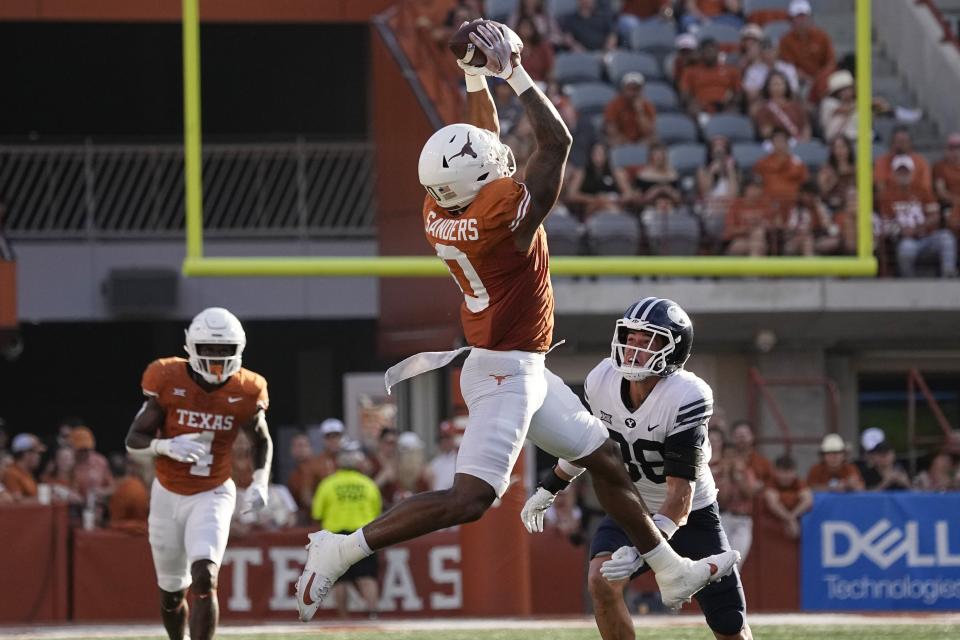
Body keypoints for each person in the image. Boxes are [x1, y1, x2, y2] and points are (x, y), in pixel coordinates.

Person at [295, 22, 738, 621]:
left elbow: (482, 141)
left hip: (513, 361)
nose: (500, 160)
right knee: (472, 498)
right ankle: (341, 550)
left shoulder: (440, 203)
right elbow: (555, 144)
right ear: (475, 183)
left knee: (604, 458)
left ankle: (668, 567)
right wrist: (513, 73)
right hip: (506, 371)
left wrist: (474, 75)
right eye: (490, 165)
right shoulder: (501, 222)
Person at [522, 299, 752, 640]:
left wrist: (643, 549)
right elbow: (592, 446)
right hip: (630, 505)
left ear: (673, 350)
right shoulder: (602, 379)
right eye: (631, 337)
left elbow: (681, 494)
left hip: (691, 515)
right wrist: (549, 486)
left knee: (728, 623)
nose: (634, 349)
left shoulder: (687, 395)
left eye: (648, 341)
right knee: (601, 581)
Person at [124, 307, 273, 640]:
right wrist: (164, 447)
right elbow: (134, 440)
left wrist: (260, 481)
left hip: (213, 492)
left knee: (205, 576)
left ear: (239, 350)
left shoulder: (248, 389)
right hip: (166, 494)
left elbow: (261, 440)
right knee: (171, 594)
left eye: (224, 350)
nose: (217, 357)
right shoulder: (166, 378)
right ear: (192, 347)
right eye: (209, 348)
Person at [311, 441, 382, 619]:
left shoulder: (328, 484)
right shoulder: (369, 485)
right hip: (363, 535)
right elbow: (377, 513)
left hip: (335, 537)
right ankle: (373, 615)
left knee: (340, 581)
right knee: (367, 577)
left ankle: (344, 619)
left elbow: (317, 513)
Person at [876, 155, 957, 277]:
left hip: (927, 236)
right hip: (905, 240)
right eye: (900, 171)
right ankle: (909, 281)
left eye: (906, 171)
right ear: (893, 174)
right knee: (905, 250)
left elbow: (935, 215)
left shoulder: (923, 190)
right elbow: (885, 222)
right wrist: (900, 230)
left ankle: (948, 273)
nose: (903, 174)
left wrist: (919, 228)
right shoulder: (887, 196)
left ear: (912, 172)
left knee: (946, 237)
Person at [777, 0, 835, 98]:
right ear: (791, 20)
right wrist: (809, 80)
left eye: (804, 16)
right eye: (798, 17)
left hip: (822, 81)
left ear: (810, 18)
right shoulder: (785, 41)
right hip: (799, 82)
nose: (802, 20)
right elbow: (789, 67)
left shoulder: (822, 36)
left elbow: (830, 62)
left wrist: (819, 79)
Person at [680, 38, 742, 116]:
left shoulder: (731, 70)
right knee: (692, 110)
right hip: (700, 108)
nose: (709, 53)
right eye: (706, 50)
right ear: (701, 53)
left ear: (717, 51)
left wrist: (732, 104)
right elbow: (684, 93)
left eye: (712, 49)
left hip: (724, 107)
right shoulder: (691, 71)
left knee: (734, 113)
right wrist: (692, 102)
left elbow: (739, 92)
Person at [763, 455, 813, 539]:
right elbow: (772, 502)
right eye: (783, 472)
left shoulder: (798, 482)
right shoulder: (771, 482)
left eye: (789, 472)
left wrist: (792, 517)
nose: (786, 476)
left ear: (795, 472)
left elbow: (808, 500)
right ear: (775, 471)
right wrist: (790, 520)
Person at [752, 71, 810, 142]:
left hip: (797, 142)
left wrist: (804, 141)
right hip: (775, 143)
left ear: (786, 86)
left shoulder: (796, 106)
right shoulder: (764, 109)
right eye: (774, 84)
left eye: (780, 84)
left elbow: (805, 127)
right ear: (768, 87)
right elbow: (765, 132)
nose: (777, 87)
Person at [603, 72, 657, 146]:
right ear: (624, 89)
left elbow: (649, 131)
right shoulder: (614, 104)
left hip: (640, 142)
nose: (633, 93)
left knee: (653, 139)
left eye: (636, 89)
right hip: (621, 141)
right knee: (613, 140)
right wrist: (626, 142)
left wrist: (640, 111)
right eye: (630, 89)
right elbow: (611, 128)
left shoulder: (647, 105)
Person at [818, 135, 856, 212]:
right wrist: (832, 180)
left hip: (853, 205)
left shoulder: (856, 168)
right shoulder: (826, 169)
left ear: (849, 149)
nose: (840, 151)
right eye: (836, 148)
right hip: (833, 207)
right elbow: (821, 192)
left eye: (843, 147)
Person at [2, 433, 45, 501]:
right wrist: (44, 499)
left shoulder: (27, 473)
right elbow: (17, 502)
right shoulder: (11, 473)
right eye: (37, 453)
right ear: (26, 454)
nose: (39, 457)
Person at [934, 132, 960, 210]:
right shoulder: (940, 167)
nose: (955, 151)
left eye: (958, 147)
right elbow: (941, 192)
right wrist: (957, 201)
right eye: (951, 148)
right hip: (951, 206)